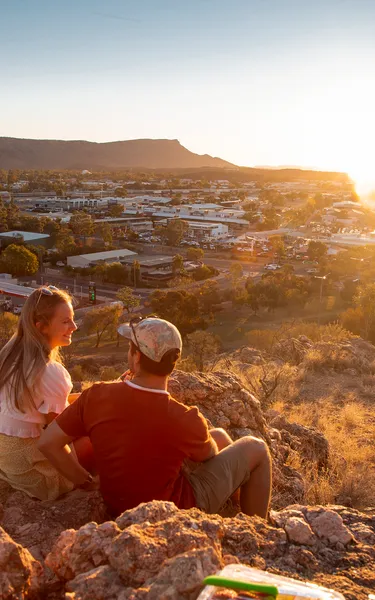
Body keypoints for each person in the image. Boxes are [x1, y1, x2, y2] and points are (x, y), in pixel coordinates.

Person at [38, 317, 272, 518]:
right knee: (256, 447)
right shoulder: (183, 417)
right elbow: (209, 455)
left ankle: (235, 505)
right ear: (173, 364)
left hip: (117, 507)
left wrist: (85, 482)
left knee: (219, 436)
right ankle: (257, 528)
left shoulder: (96, 395)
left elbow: (48, 443)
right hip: (175, 512)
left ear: (137, 357)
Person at [0, 285, 86, 501]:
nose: (74, 326)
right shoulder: (50, 371)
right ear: (42, 327)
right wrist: (85, 483)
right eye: (66, 321)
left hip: (7, 460)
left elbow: (47, 407)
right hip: (33, 472)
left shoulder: (12, 356)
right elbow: (57, 439)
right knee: (100, 434)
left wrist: (92, 394)